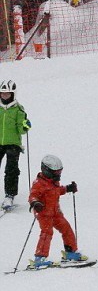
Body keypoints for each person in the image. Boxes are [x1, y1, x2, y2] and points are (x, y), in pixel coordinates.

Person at [28, 154, 88, 268]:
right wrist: (35, 203)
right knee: (47, 232)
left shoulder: (53, 182)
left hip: (56, 212)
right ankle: (39, 258)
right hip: (44, 213)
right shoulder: (38, 183)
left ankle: (70, 253)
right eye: (56, 173)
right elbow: (33, 196)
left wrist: (68, 188)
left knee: (66, 228)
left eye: (60, 172)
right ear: (47, 171)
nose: (59, 175)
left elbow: (56, 191)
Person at [0, 80, 31, 211]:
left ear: (13, 94)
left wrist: (25, 126)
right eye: (2, 94)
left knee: (11, 169)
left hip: (13, 144)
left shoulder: (18, 109)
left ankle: (9, 195)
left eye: (7, 94)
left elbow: (21, 130)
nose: (4, 96)